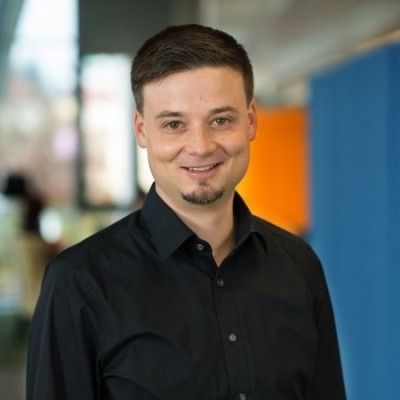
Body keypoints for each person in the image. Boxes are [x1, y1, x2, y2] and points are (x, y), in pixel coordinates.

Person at [27, 24, 346, 399]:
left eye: (220, 120)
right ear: (142, 130)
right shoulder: (79, 283)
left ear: (251, 121)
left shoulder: (300, 267)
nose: (200, 146)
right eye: (174, 124)